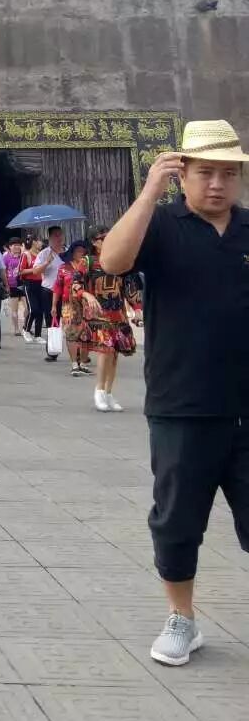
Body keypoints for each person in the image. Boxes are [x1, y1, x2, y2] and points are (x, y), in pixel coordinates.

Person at [100, 120, 249, 668]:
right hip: (182, 404)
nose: (217, 184)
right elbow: (113, 262)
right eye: (205, 172)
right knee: (178, 520)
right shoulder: (161, 224)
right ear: (181, 174)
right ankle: (181, 618)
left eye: (228, 174)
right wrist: (147, 194)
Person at [81, 226, 143, 411]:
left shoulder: (120, 260)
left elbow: (129, 287)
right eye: (102, 238)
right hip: (99, 313)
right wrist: (87, 295)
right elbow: (76, 284)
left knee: (114, 353)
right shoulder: (88, 262)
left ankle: (108, 392)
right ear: (94, 242)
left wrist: (137, 308)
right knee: (105, 349)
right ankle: (99, 390)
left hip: (118, 313)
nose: (106, 240)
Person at [51, 240, 95, 376]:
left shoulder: (90, 267)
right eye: (77, 251)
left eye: (83, 251)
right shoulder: (64, 268)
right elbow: (57, 287)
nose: (80, 254)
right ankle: (74, 364)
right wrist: (54, 305)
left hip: (87, 304)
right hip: (68, 304)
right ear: (72, 253)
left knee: (87, 333)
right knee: (71, 333)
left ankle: (83, 363)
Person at [32, 226, 66, 358]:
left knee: (71, 320)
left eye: (60, 235)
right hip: (49, 291)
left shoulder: (68, 252)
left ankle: (78, 351)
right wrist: (47, 262)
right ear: (50, 238)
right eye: (56, 235)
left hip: (66, 291)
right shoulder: (44, 253)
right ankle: (52, 350)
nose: (59, 238)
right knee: (52, 320)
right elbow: (35, 271)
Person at [19, 235, 45, 341]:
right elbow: (21, 271)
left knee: (41, 311)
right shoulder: (26, 254)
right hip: (29, 284)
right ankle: (26, 330)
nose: (41, 244)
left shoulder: (42, 255)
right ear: (34, 242)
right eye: (40, 241)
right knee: (33, 309)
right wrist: (33, 270)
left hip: (42, 284)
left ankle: (38, 335)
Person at [3, 236, 25, 335]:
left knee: (28, 308)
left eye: (18, 245)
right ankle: (16, 329)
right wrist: (6, 285)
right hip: (12, 285)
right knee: (14, 309)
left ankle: (25, 326)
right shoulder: (6, 257)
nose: (16, 247)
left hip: (24, 284)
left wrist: (23, 253)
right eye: (14, 245)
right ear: (10, 247)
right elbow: (3, 271)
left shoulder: (24, 255)